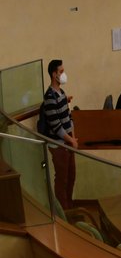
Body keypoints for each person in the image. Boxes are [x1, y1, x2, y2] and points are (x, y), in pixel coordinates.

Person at [40, 59, 78, 209]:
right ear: (54, 74)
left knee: (71, 177)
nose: (63, 74)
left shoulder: (62, 93)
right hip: (59, 145)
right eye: (61, 72)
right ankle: (63, 212)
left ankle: (69, 207)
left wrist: (73, 137)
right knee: (61, 179)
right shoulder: (50, 97)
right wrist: (71, 140)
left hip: (68, 143)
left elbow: (69, 118)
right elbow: (56, 127)